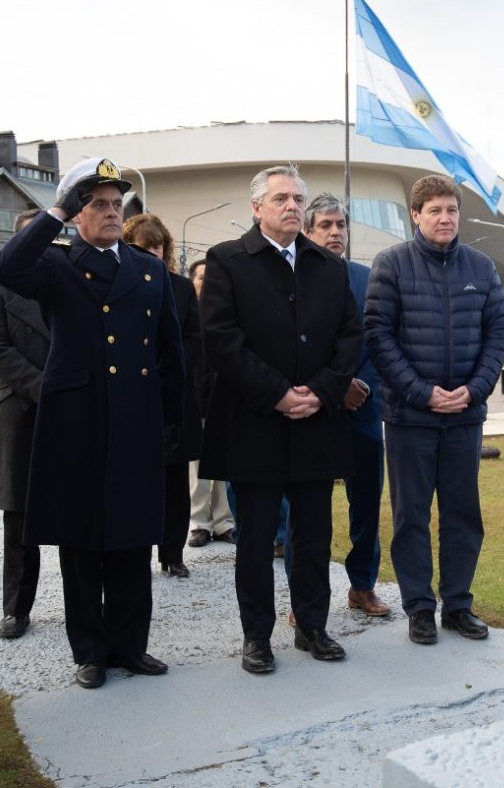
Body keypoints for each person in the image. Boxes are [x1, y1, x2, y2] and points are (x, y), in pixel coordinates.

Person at [0, 157, 184, 689]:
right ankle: (91, 652)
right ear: (77, 211)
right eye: (95, 203)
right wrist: (56, 209)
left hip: (135, 420)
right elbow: (6, 268)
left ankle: (130, 646)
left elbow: (170, 351)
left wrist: (174, 420)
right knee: (81, 542)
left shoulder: (147, 269)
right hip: (75, 421)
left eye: (113, 204)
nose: (106, 213)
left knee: (130, 536)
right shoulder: (56, 264)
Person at [199, 166, 360, 673]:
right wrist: (277, 395)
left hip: (315, 424)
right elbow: (222, 340)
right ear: (257, 208)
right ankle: (257, 637)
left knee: (313, 536)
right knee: (255, 541)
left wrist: (319, 391)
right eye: (281, 198)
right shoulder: (227, 261)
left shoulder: (328, 267)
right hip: (255, 425)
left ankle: (312, 626)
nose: (292, 206)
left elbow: (351, 337)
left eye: (297, 198)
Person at [364, 174, 504, 645]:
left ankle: (459, 604)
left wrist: (475, 389)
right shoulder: (391, 265)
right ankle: (420, 607)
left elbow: (497, 337)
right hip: (410, 418)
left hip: (465, 416)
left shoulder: (482, 268)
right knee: (411, 516)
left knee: (463, 514)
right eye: (434, 211)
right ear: (415, 215)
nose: (445, 218)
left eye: (451, 210)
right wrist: (422, 392)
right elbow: (379, 339)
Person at [302, 193, 390, 617]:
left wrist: (364, 389)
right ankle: (307, 597)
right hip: (313, 410)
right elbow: (292, 347)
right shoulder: (291, 278)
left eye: (341, 225)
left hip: (362, 410)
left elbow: (380, 340)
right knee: (310, 512)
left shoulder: (367, 278)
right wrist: (334, 388)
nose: (335, 233)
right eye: (325, 225)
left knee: (367, 504)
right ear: (307, 230)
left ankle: (362, 585)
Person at [122, 214, 203, 578]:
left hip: (173, 396)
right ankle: (135, 548)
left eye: (157, 248)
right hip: (129, 397)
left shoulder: (181, 288)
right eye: (143, 248)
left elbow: (193, 339)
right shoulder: (119, 285)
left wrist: (163, 367)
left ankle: (172, 553)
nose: (151, 255)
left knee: (174, 483)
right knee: (135, 482)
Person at [0, 209, 48, 640]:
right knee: (21, 514)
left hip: (77, 406)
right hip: (23, 406)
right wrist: (44, 386)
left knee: (84, 510)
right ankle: (16, 607)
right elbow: (0, 349)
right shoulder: (0, 285)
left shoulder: (71, 281)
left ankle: (92, 608)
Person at [186, 259, 234, 548]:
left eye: (210, 277)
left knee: (225, 467)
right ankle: (199, 523)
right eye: (201, 277)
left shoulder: (225, 312)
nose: (205, 281)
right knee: (198, 470)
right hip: (195, 399)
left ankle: (224, 522)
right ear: (192, 281)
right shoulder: (187, 312)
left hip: (225, 400)